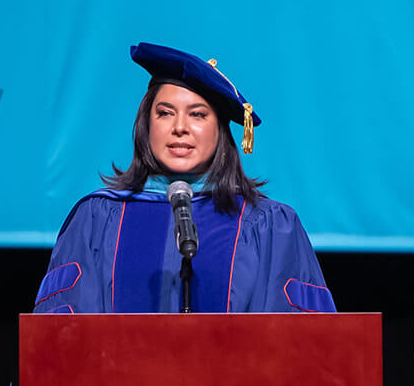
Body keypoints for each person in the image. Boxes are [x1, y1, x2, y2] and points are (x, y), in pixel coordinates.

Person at [27, 42, 335, 318]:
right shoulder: (97, 218)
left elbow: (296, 343)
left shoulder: (268, 225)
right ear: (147, 125)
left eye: (197, 115)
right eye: (165, 113)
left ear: (220, 130)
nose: (179, 127)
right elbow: (62, 337)